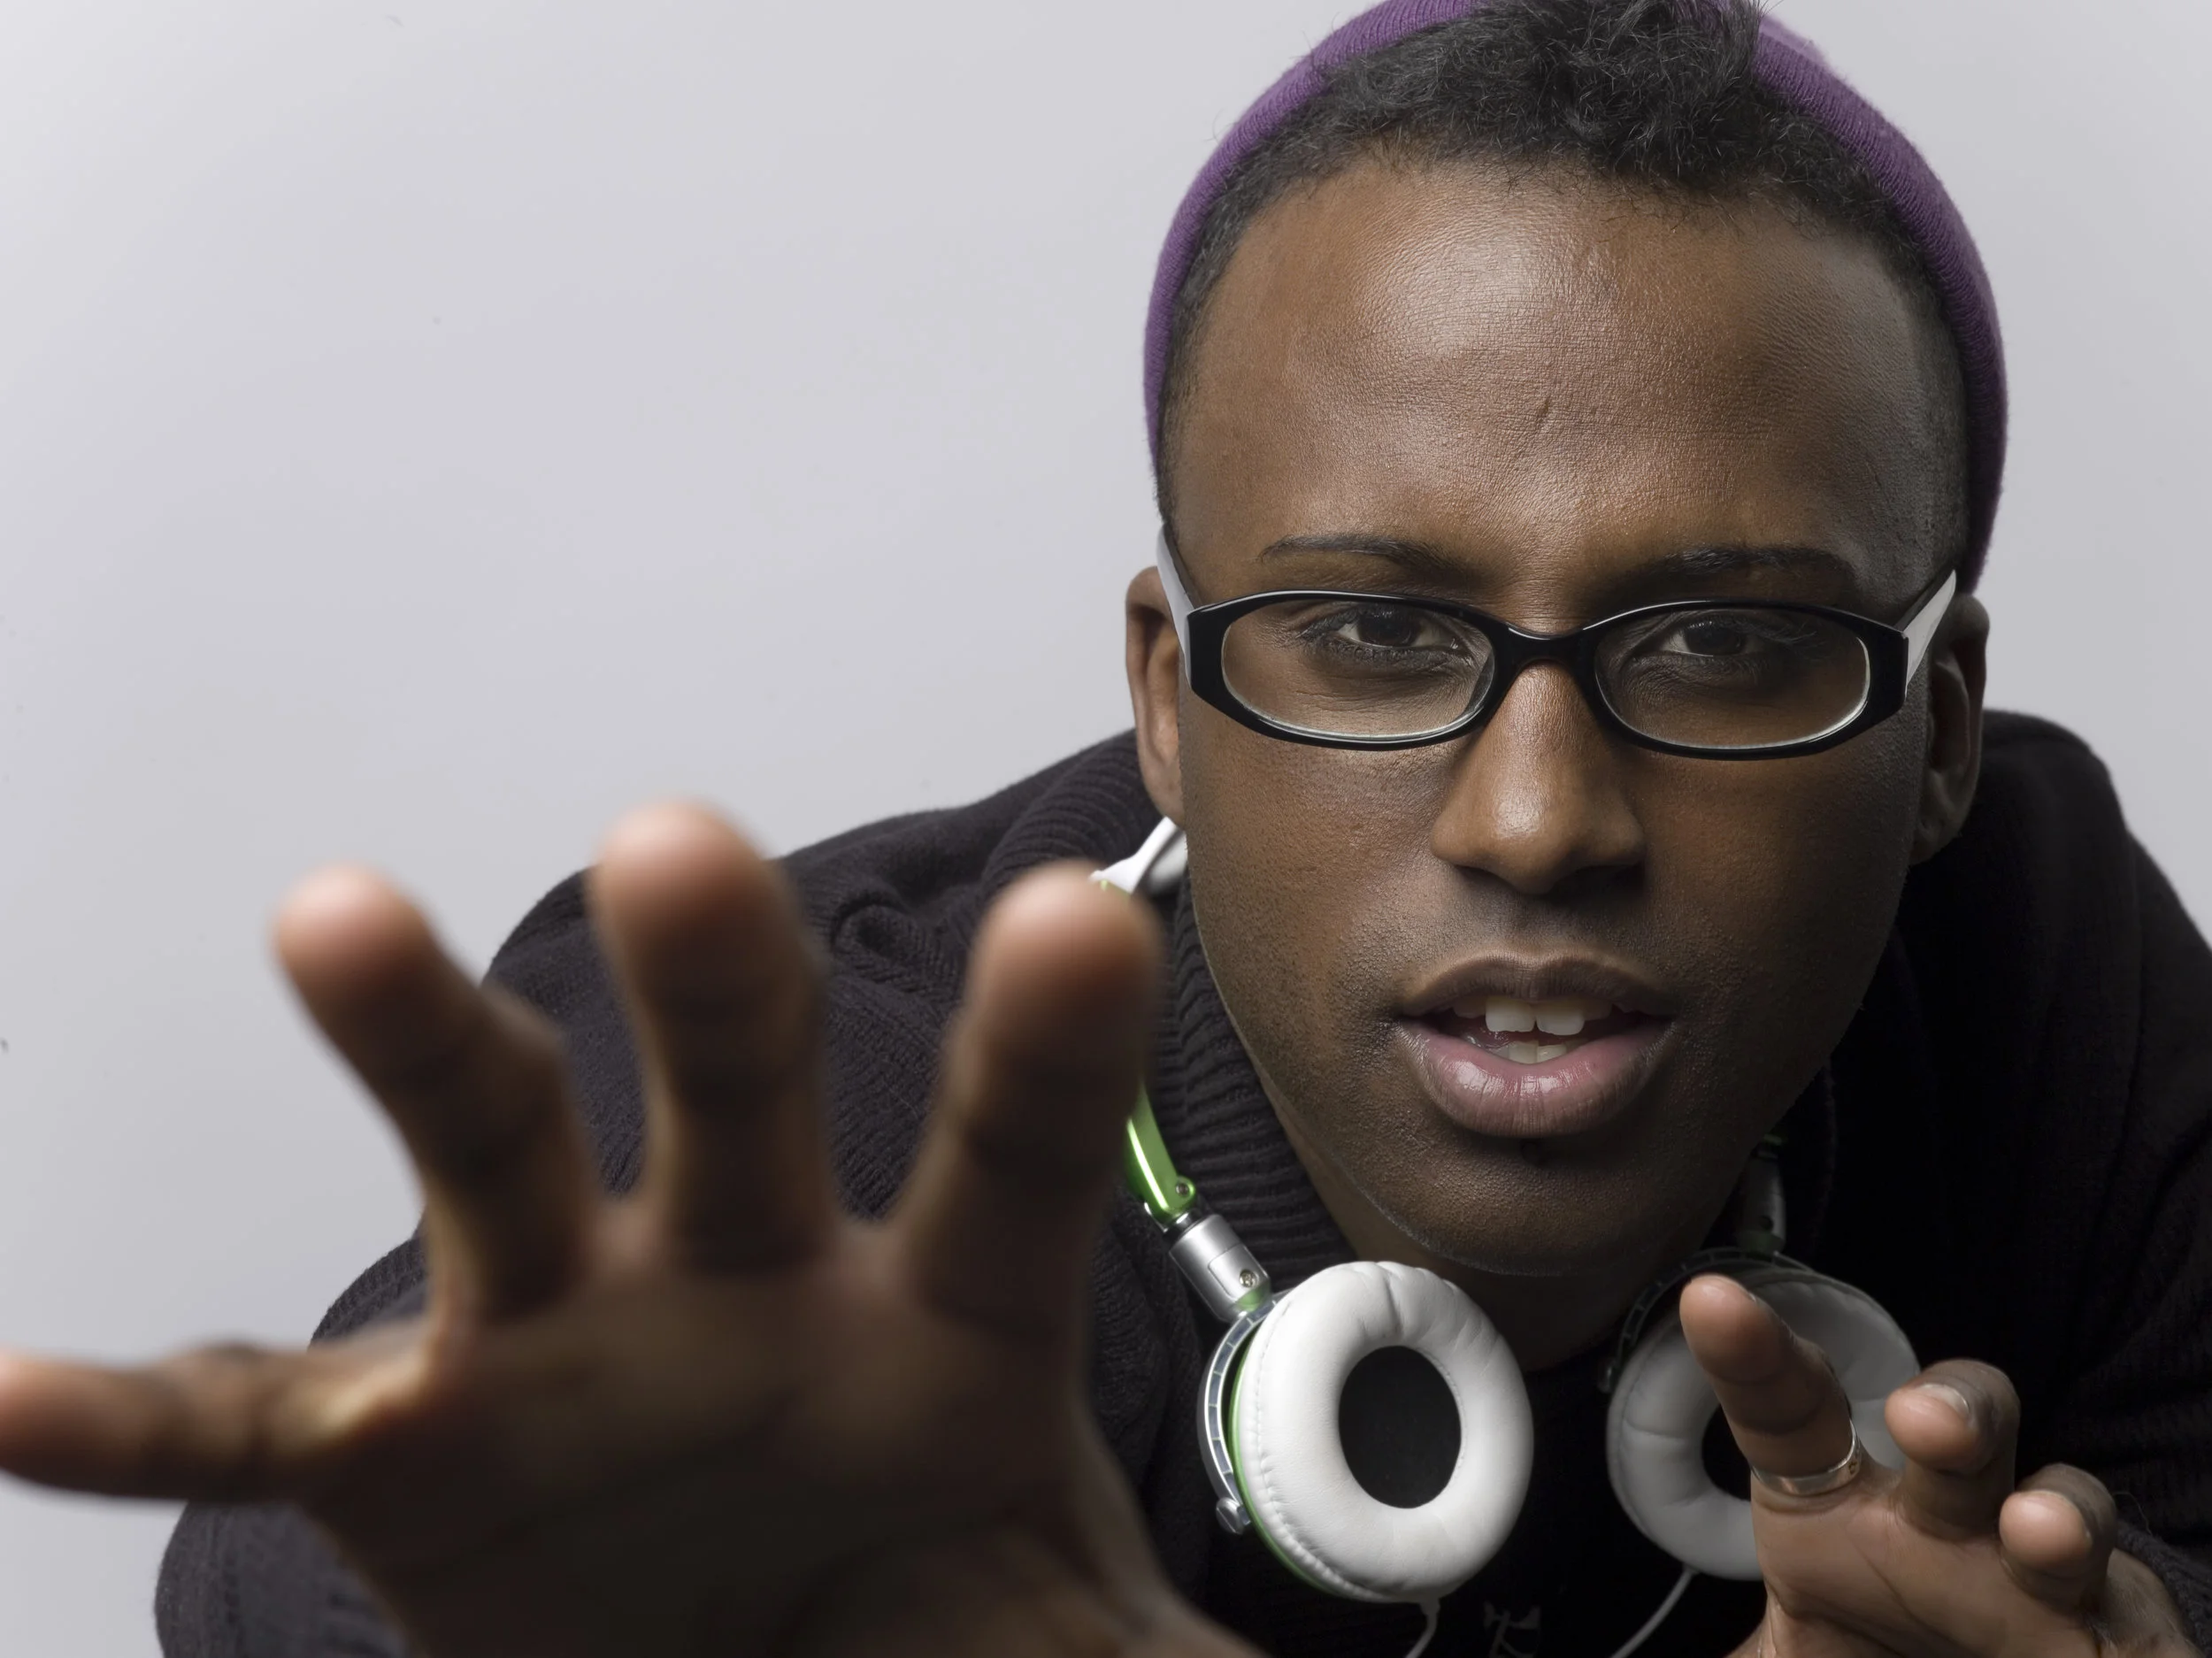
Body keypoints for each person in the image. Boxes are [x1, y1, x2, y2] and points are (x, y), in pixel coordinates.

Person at [4, 0, 2207, 1653]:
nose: (1537, 819)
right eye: (1365, 629)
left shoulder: (2038, 971)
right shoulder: (833, 1150)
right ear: (1167, 696)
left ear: (1930, 732)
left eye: (1725, 650)